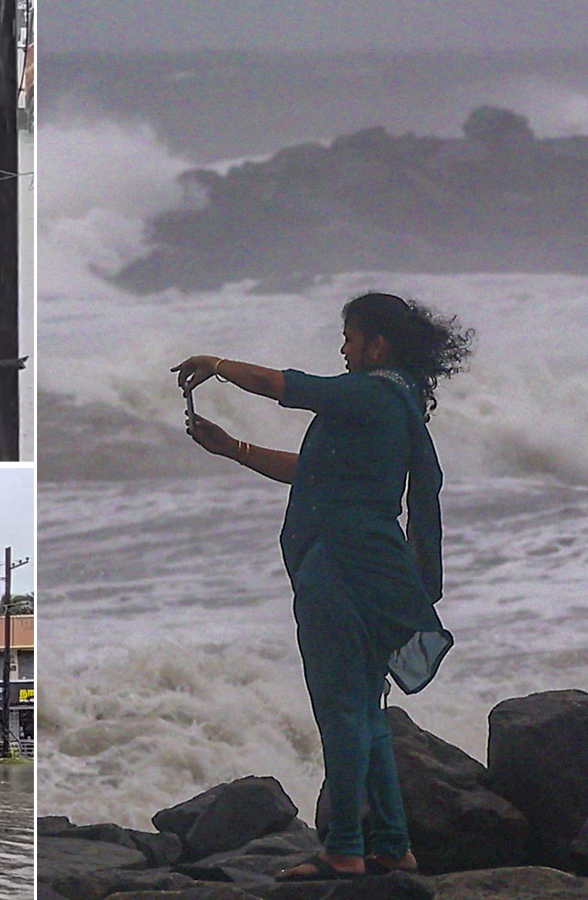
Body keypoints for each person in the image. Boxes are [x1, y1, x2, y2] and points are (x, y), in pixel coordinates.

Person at [171, 292, 474, 882]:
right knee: (366, 710)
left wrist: (216, 365)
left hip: (338, 567)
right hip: (376, 569)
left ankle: (342, 847)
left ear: (376, 343)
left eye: (350, 337)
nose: (342, 348)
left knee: (340, 708)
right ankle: (391, 842)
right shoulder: (399, 402)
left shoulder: (367, 391)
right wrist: (232, 448)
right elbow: (310, 470)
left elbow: (285, 385)